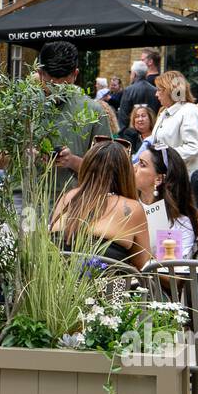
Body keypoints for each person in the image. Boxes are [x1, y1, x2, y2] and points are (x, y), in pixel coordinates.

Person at [49, 141, 151, 267]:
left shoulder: (68, 197)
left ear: (86, 167)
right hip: (106, 285)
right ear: (125, 173)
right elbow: (144, 265)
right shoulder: (132, 208)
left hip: (58, 283)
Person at [35, 41, 114, 194]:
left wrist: (72, 161)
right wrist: (26, 155)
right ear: (39, 73)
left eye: (63, 83)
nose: (56, 89)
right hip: (27, 200)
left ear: (75, 75)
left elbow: (107, 169)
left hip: (75, 202)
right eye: (51, 83)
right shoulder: (22, 107)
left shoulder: (94, 111)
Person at [133, 142, 198, 260]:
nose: (134, 167)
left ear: (158, 179)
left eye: (142, 164)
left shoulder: (177, 224)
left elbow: (172, 275)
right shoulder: (127, 205)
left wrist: (140, 259)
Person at [147, 70, 198, 173]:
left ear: (170, 90)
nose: (156, 94)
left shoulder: (189, 110)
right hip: (172, 176)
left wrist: (163, 157)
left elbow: (193, 148)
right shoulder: (164, 112)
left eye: (159, 90)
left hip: (188, 179)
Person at [118, 59, 158, 129]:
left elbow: (123, 117)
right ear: (146, 74)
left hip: (133, 133)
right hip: (152, 130)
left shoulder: (128, 90)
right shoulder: (155, 90)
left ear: (134, 74)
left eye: (130, 73)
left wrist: (123, 135)